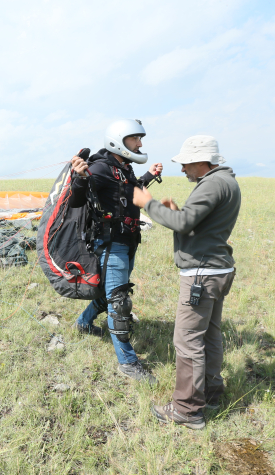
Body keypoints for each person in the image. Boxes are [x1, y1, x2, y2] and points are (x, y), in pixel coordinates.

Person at [132, 135, 241, 429]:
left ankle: (186, 409)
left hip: (201, 275)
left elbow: (182, 225)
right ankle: (212, 392)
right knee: (209, 335)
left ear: (201, 161)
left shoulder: (212, 184)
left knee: (187, 340)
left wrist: (148, 204)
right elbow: (196, 223)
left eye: (185, 164)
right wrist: (176, 211)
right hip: (216, 270)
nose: (182, 170)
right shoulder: (225, 182)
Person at [67, 119, 163, 383]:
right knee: (119, 303)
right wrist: (79, 177)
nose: (140, 144)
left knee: (110, 293)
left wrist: (149, 177)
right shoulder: (98, 168)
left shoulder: (123, 168)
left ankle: (83, 324)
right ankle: (128, 362)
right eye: (135, 139)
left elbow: (127, 192)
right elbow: (76, 200)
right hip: (111, 244)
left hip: (129, 241)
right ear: (119, 140)